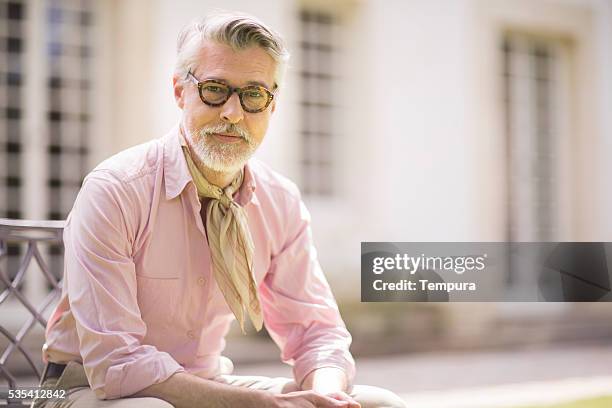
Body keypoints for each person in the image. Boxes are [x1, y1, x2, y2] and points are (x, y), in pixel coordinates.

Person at [34, 11, 407, 408]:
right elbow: (116, 365)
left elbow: (317, 333)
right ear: (180, 91)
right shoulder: (116, 190)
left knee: (378, 403)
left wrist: (325, 394)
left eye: (254, 94)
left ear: (272, 104)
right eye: (215, 89)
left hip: (207, 382)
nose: (233, 113)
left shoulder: (279, 200)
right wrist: (259, 406)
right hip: (89, 388)